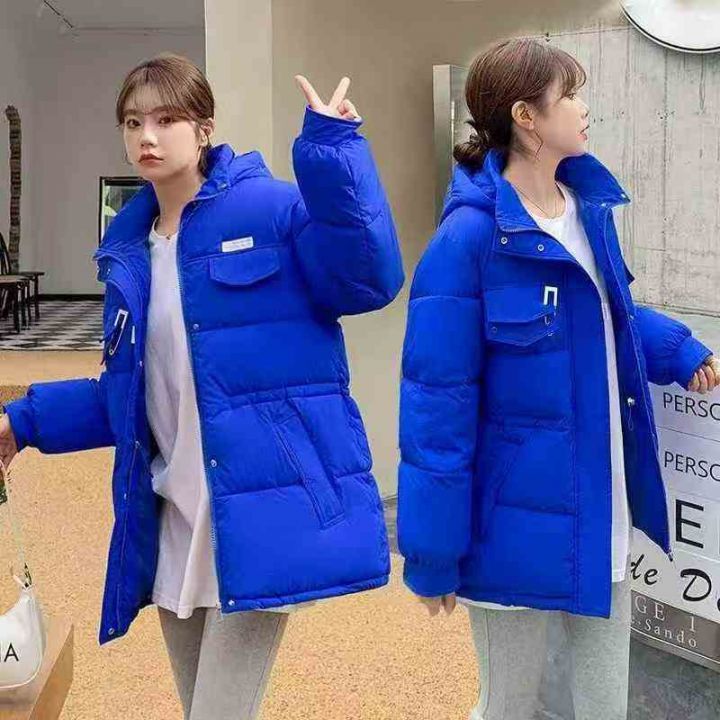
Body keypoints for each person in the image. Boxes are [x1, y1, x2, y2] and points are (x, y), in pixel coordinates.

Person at [0, 52, 404, 719]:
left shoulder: (271, 208)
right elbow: (129, 395)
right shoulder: (130, 254)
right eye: (133, 122)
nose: (147, 136)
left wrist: (335, 152)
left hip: (256, 511)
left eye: (166, 119)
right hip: (173, 514)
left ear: (205, 127)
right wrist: (24, 422)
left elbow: (370, 279)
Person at [397, 37, 719, 720]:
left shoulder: (587, 211)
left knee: (604, 706)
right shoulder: (467, 241)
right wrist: (431, 553)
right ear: (527, 116)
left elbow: (607, 316)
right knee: (511, 708)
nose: (583, 108)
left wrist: (681, 349)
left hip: (601, 511)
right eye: (569, 95)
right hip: (510, 525)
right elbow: (435, 409)